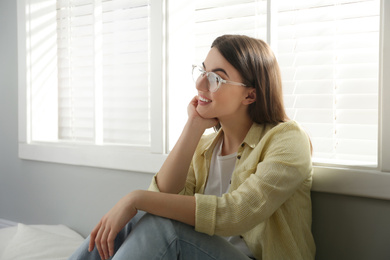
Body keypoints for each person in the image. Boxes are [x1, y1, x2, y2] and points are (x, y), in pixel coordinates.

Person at [69, 34, 315, 260]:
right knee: (139, 219)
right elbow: (160, 200)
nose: (200, 83)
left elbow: (237, 214)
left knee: (164, 225)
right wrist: (193, 125)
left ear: (249, 96)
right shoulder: (205, 147)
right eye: (202, 71)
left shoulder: (288, 139)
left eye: (216, 78)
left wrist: (135, 198)